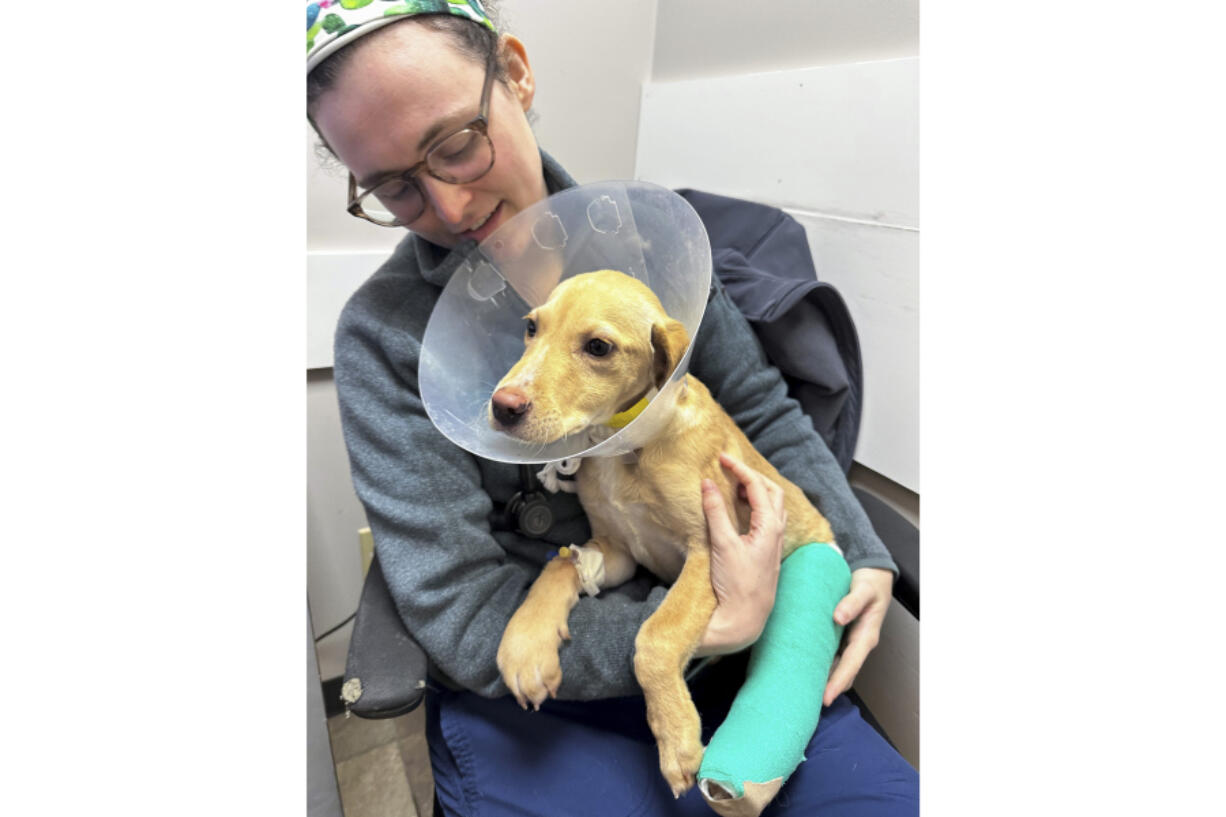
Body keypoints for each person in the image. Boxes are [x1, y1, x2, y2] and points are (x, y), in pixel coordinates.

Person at [307, 2, 919, 814]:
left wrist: (857, 549)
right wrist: (684, 635)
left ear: (516, 75)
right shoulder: (382, 337)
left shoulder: (649, 247)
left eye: (455, 145)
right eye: (393, 189)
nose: (448, 210)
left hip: (740, 628)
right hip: (541, 680)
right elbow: (458, 607)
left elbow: (761, 412)